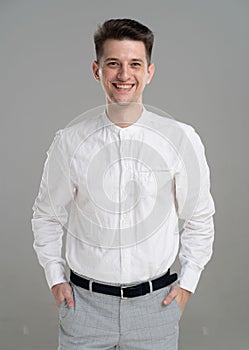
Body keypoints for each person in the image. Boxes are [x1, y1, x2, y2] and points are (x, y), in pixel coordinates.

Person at [32, 18, 215, 350]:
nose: (123, 75)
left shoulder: (180, 139)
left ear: (149, 71)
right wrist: (55, 278)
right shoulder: (70, 141)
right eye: (113, 63)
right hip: (83, 307)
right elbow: (46, 215)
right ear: (96, 69)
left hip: (156, 307)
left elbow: (199, 216)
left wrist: (186, 286)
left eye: (135, 64)